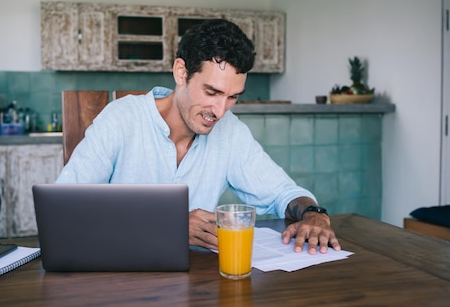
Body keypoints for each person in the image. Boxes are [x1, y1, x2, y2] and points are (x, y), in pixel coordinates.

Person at [56, 19, 341, 254]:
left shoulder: (230, 132)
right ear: (181, 72)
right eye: (212, 92)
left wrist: (314, 213)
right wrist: (169, 225)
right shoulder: (121, 119)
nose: (220, 111)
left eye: (232, 97)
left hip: (198, 285)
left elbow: (283, 193)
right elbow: (64, 211)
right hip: (119, 280)